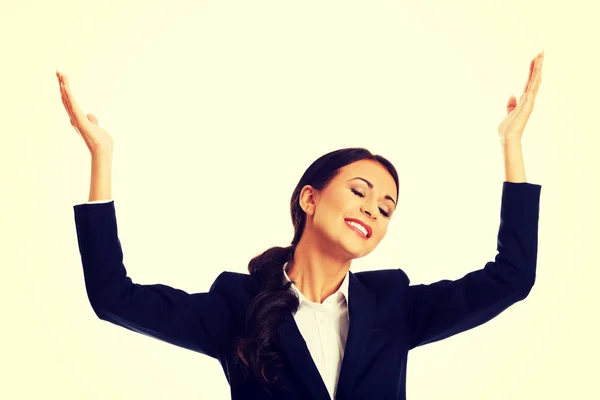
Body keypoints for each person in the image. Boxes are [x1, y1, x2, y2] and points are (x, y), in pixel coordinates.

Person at [58, 51, 544, 400]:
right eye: (359, 191)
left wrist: (511, 145)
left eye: (387, 208)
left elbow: (511, 278)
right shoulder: (237, 306)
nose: (373, 210)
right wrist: (102, 155)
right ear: (309, 198)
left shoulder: (394, 305)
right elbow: (113, 298)